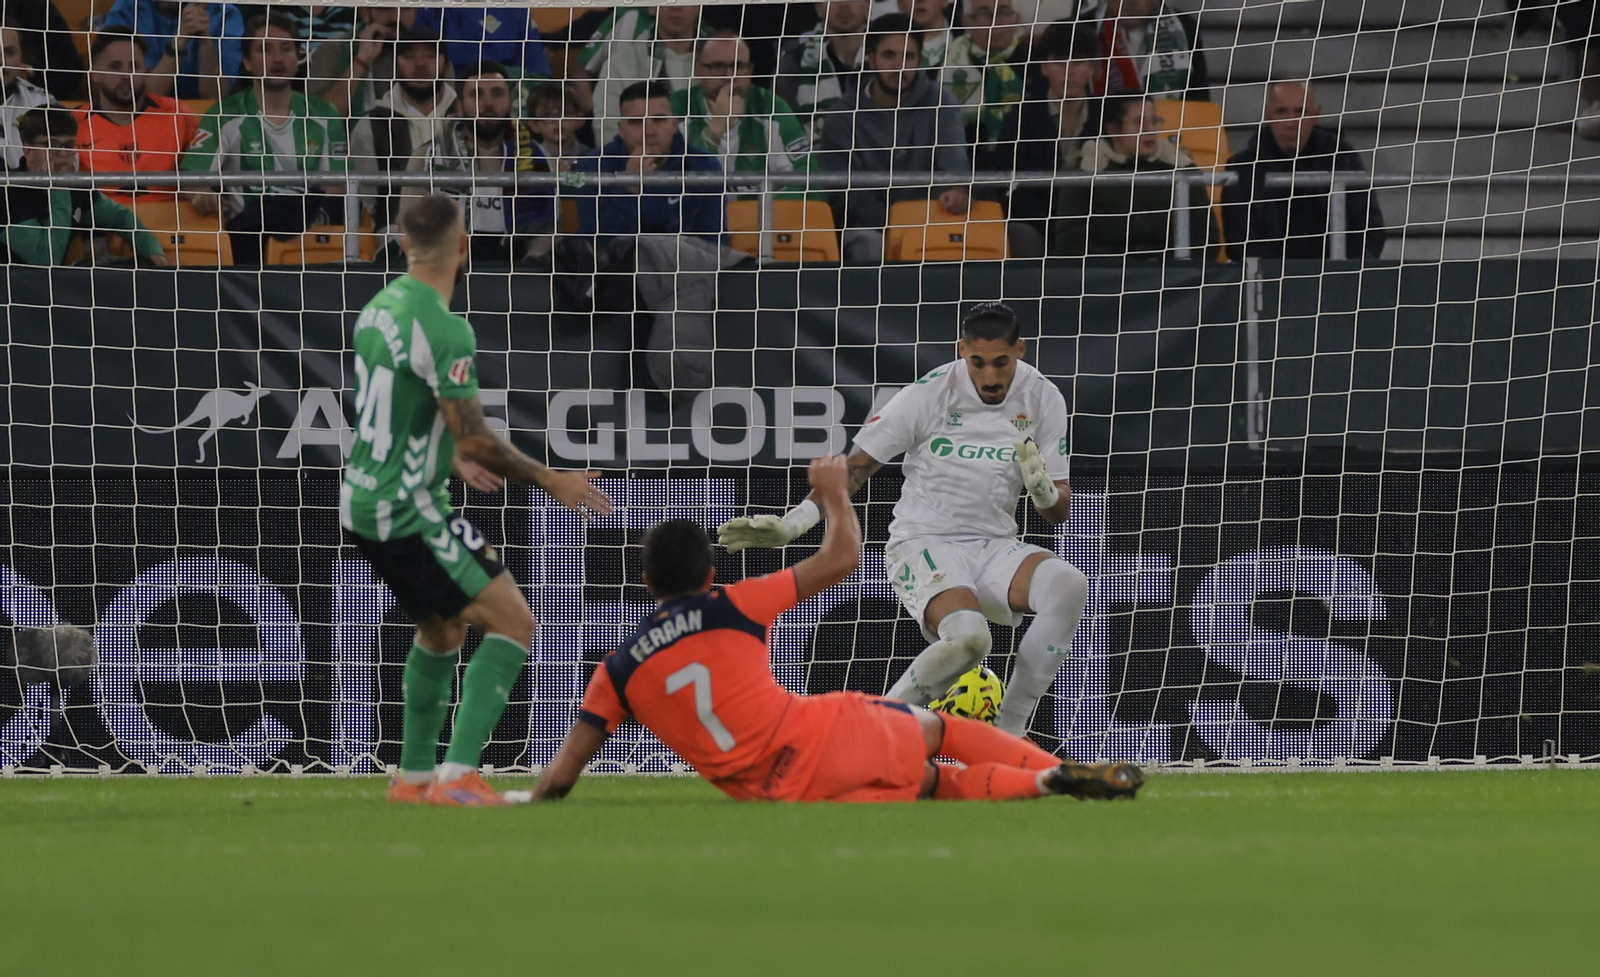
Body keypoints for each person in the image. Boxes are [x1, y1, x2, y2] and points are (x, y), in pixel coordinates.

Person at [535, 459, 1142, 804]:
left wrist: (524, 803)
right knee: (939, 731)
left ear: (645, 584)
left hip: (783, 792)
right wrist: (832, 497)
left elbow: (560, 778)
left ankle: (1043, 781)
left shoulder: (617, 668)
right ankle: (1045, 771)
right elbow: (841, 559)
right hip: (823, 733)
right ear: (711, 574)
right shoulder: (733, 605)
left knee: (934, 787)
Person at [342, 193, 614, 807]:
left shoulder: (378, 309)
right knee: (513, 619)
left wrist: (448, 448)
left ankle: (412, 781)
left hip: (360, 499)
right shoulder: (447, 328)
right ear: (464, 246)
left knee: (441, 632)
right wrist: (552, 479)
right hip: (407, 506)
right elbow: (478, 439)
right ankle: (458, 776)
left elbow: (395, 404)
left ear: (405, 245)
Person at [718, 303, 1093, 739]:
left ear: (1021, 352)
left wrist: (1044, 490)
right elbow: (855, 468)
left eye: (1001, 363)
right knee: (972, 641)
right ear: (961, 352)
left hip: (994, 545)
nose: (990, 377)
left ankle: (1008, 737)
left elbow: (1059, 511)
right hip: (924, 541)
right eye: (977, 363)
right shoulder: (929, 394)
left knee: (1069, 585)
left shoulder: (1043, 396)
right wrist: (794, 523)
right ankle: (871, 732)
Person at [569, 80, 729, 391]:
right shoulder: (594, 167)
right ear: (620, 127)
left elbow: (715, 243)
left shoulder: (703, 166)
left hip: (685, 277)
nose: (649, 130)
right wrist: (630, 187)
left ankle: (679, 379)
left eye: (658, 119)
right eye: (636, 122)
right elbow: (597, 244)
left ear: (674, 123)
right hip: (620, 283)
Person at [180, 12, 345, 266]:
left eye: (286, 48)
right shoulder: (225, 114)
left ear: (298, 57)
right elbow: (191, 179)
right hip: (248, 241)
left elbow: (338, 187)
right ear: (247, 61)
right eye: (264, 49)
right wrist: (201, 195)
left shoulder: (324, 114)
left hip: (310, 236)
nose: (277, 58)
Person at [814, 14, 970, 264]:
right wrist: (897, 224)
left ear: (920, 61)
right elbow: (847, 195)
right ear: (872, 59)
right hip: (869, 228)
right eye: (889, 56)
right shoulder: (842, 116)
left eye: (908, 57)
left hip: (931, 221)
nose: (900, 66)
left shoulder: (942, 102)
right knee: (869, 244)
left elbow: (955, 165)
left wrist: (957, 190)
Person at [1221, 80, 1387, 261]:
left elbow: (1370, 229)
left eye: (1301, 112)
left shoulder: (1343, 160)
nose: (1291, 123)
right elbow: (1240, 243)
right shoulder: (1242, 168)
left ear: (1316, 115)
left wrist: (1347, 274)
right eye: (1281, 112)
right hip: (1270, 282)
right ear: (1268, 114)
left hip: (1336, 280)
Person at [976, 20, 1099, 256]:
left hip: (1095, 224)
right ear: (1044, 67)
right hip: (1038, 226)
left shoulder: (1108, 118)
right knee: (1020, 232)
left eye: (1078, 61)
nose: (1069, 70)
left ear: (1092, 68)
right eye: (1059, 61)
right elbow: (1009, 189)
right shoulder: (1018, 120)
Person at [1055, 92, 1217, 259]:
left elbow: (1207, 239)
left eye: (1154, 121)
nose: (1150, 130)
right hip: (1105, 278)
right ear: (1113, 129)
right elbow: (1070, 244)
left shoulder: (1182, 168)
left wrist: (1162, 266)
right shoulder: (1085, 172)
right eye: (1139, 122)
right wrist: (1130, 268)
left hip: (1173, 277)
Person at [0, 109, 167, 266]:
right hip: (14, 287)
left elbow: (121, 218)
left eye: (69, 145)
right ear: (28, 150)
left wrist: (153, 252)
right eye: (52, 145)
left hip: (55, 287)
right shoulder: (7, 192)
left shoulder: (77, 187)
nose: (63, 154)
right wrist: (58, 188)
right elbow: (46, 261)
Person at [347, 25, 455, 261]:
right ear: (396, 64)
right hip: (395, 243)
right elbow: (365, 205)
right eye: (409, 56)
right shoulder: (372, 124)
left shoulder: (466, 119)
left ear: (445, 64)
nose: (420, 64)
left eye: (430, 56)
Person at [429, 61, 553, 265]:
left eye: (497, 93)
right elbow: (410, 222)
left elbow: (550, 229)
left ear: (510, 101)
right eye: (476, 94)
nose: (487, 103)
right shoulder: (427, 156)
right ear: (460, 107)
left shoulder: (541, 158)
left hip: (519, 266)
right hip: (447, 267)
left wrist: (530, 267)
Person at [74, 30, 200, 204]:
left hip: (171, 223)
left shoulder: (178, 115)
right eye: (115, 67)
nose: (127, 75)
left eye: (134, 66)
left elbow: (202, 174)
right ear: (95, 72)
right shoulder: (74, 124)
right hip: (100, 225)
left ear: (145, 70)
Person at [672, 32, 811, 181]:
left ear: (750, 71)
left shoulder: (770, 106)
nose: (729, 75)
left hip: (761, 205)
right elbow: (671, 182)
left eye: (738, 66)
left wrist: (764, 204)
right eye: (717, 66)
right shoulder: (678, 107)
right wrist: (717, 126)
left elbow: (809, 180)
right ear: (698, 71)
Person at [574, 3, 704, 145]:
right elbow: (608, 136)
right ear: (652, 6)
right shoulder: (618, 66)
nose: (675, 6)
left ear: (699, 7)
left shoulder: (724, 61)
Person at [101, 0, 244, 102]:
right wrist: (180, 39)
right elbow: (136, 97)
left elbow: (215, 95)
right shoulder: (126, 9)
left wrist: (205, 43)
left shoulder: (225, 13)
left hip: (204, 116)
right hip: (141, 115)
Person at [775, 0, 869, 140]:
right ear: (818, 7)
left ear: (868, 4)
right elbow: (785, 131)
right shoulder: (792, 64)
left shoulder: (888, 58)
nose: (844, 5)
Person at [1081, 0, 1209, 100]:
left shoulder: (1184, 26)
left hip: (1169, 126)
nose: (1132, 2)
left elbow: (1198, 95)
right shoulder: (1082, 27)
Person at [942, 0, 1029, 141]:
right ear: (965, 20)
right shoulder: (944, 66)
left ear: (1017, 19)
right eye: (983, 13)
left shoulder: (1038, 64)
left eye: (1003, 12)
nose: (994, 22)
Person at [306, 5, 413, 118]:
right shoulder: (335, 49)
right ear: (365, 13)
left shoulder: (430, 52)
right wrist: (361, 60)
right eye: (385, 8)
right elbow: (319, 118)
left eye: (406, 8)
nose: (397, 18)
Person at [410, 7, 551, 83]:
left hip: (508, 95)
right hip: (447, 96)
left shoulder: (516, 10)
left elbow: (540, 76)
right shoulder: (428, 11)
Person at [0, 24, 56, 169]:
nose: (1, 62)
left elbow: (65, 166)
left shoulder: (42, 103)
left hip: (28, 191)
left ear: (21, 56)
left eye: (9, 53)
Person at [5, 0, 86, 100]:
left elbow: (70, 71)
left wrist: (33, 71)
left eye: (10, 52)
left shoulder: (36, 7)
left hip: (33, 101)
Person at [522, 81, 592, 172]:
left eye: (564, 113)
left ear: (579, 119)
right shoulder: (527, 160)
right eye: (547, 115)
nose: (557, 121)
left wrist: (566, 179)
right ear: (534, 124)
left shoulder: (591, 157)